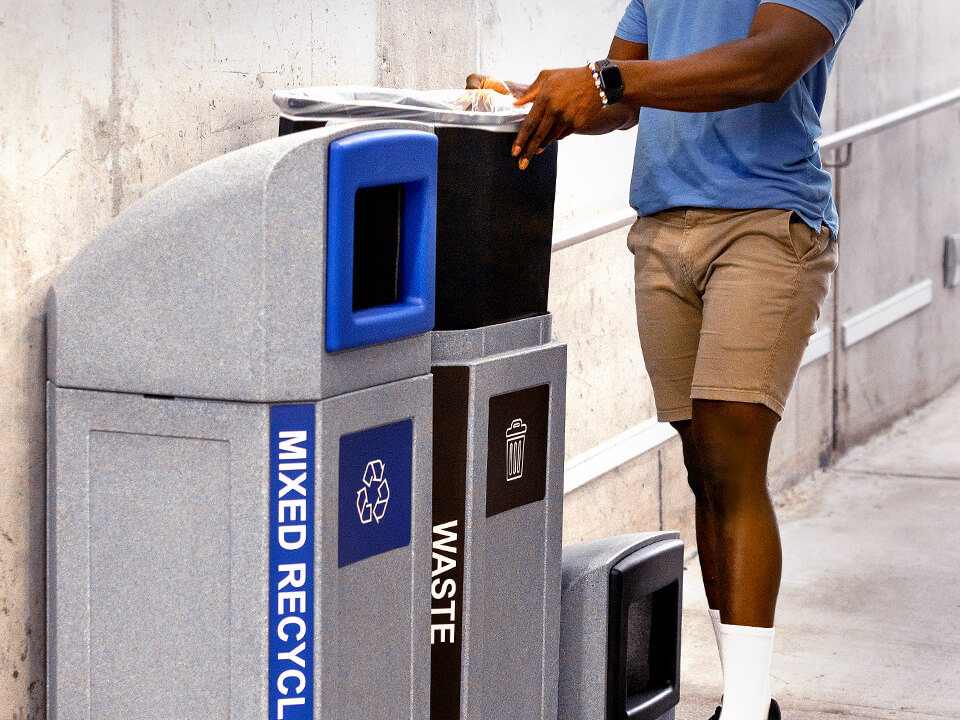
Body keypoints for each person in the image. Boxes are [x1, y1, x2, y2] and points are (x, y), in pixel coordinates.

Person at [473, 1, 862, 718]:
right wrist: (532, 101)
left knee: (727, 460)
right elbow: (618, 101)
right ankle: (749, 703)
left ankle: (744, 711)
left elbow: (769, 65)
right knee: (702, 469)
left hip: (766, 225)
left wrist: (609, 81)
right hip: (663, 231)